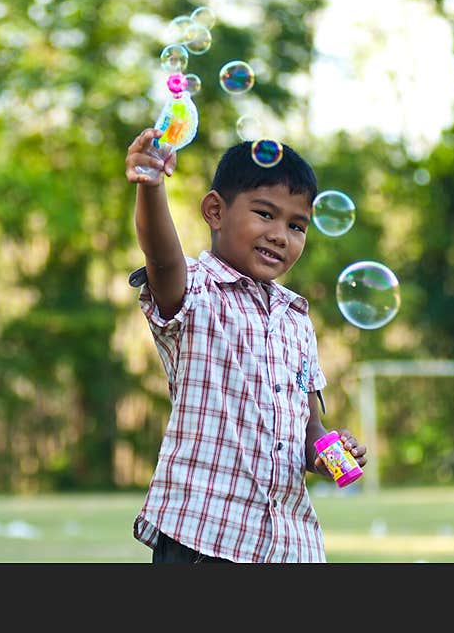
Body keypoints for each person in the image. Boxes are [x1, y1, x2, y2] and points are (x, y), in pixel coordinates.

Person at [123, 129, 368, 563]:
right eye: (265, 214)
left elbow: (307, 430)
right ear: (215, 211)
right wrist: (152, 186)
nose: (280, 235)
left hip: (288, 544)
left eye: (296, 225)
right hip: (203, 536)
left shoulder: (296, 319)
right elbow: (162, 258)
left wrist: (332, 454)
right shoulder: (197, 293)